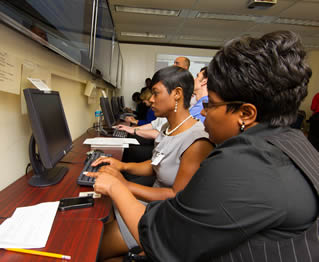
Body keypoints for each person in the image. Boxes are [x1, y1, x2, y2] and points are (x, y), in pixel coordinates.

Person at [88, 31, 319, 261]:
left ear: (246, 113)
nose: (204, 114)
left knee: (89, 246)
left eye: (210, 105)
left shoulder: (243, 164)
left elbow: (164, 241)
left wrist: (117, 186)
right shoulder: (294, 142)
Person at [89, 66, 213, 260]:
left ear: (177, 94)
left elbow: (175, 195)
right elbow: (156, 164)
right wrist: (121, 166)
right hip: (150, 205)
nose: (151, 100)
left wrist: (123, 185)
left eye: (156, 93)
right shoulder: (167, 127)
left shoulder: (197, 141)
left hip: (165, 217)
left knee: (90, 247)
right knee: (97, 217)